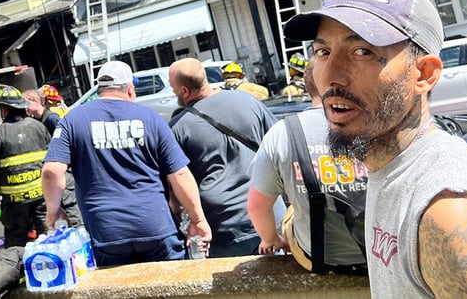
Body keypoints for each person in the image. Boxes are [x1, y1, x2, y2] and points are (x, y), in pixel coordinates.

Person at [283, 0, 467, 297]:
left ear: (424, 74)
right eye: (322, 51)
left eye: (362, 51)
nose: (329, 75)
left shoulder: (450, 215)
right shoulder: (391, 169)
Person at [42, 60, 212, 266]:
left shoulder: (72, 119)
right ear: (130, 89)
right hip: (155, 226)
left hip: (106, 231)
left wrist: (54, 211)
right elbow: (179, 175)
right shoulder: (151, 118)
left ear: (99, 89)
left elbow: (52, 171)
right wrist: (198, 219)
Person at [248, 63, 368, 275]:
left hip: (318, 257)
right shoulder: (375, 122)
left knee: (291, 211)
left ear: (308, 86)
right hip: (380, 254)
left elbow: (257, 206)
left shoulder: (282, 133)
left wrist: (271, 239)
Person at [168, 57, 279, 257]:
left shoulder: (178, 128)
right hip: (270, 215)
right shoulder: (248, 101)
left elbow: (178, 183)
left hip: (225, 226)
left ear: (184, 91)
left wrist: (189, 219)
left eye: (173, 88)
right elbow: (280, 148)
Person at [0, 85, 51, 247]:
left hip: (14, 200)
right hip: (41, 194)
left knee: (16, 239)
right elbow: (52, 157)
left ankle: (18, 268)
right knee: (48, 233)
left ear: (4, 109)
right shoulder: (38, 126)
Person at [23, 88, 83, 226]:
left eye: (27, 105)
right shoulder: (39, 120)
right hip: (57, 172)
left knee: (72, 212)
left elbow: (65, 144)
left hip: (64, 173)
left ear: (35, 101)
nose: (26, 110)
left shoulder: (51, 119)